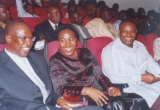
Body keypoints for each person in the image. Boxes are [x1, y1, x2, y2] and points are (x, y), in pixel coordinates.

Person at [0, 19, 104, 110]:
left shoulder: (39, 60)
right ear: (9, 38)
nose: (28, 43)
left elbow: (49, 90)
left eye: (31, 38)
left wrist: (59, 100)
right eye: (23, 38)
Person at [49, 24, 150, 110]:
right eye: (63, 41)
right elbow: (60, 89)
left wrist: (110, 88)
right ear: (58, 43)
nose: (67, 44)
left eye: (71, 39)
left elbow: (99, 75)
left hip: (100, 92)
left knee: (137, 100)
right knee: (116, 103)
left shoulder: (86, 53)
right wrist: (86, 90)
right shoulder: (56, 60)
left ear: (76, 40)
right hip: (80, 98)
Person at [102, 19, 160, 109]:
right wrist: (141, 77)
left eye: (132, 31)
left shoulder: (139, 45)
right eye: (125, 31)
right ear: (119, 32)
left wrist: (158, 74)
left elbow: (151, 63)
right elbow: (114, 77)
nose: (129, 35)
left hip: (145, 84)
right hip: (127, 89)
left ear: (136, 32)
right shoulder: (110, 50)